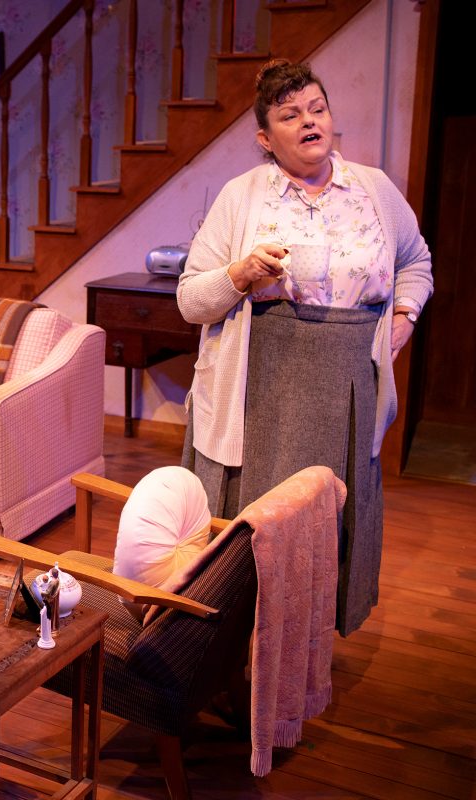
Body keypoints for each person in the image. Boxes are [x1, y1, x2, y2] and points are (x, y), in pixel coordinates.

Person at [177, 60, 433, 635]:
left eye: (317, 109)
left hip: (346, 390)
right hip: (259, 392)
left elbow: (416, 260)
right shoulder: (241, 198)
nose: (309, 122)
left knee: (324, 523)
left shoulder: (374, 190)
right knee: (256, 529)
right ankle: (232, 650)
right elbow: (191, 300)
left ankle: (301, 652)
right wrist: (240, 274)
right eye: (290, 115)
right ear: (266, 138)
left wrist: (403, 316)